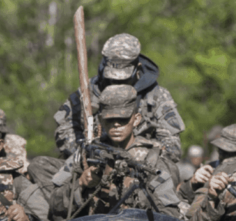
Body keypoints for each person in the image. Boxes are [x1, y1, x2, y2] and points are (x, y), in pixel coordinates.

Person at [50, 84, 181, 220]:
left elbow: (171, 216)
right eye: (110, 120)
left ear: (136, 119)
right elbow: (54, 205)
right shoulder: (87, 153)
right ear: (101, 120)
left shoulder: (151, 159)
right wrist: (81, 184)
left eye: (122, 119)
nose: (116, 125)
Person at [53, 33, 185, 162]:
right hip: (92, 164)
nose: (117, 84)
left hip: (140, 166)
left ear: (137, 68)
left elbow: (172, 147)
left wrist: (136, 152)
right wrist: (85, 151)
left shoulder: (156, 96)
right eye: (112, 79)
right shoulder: (89, 92)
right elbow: (64, 129)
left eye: (123, 79)